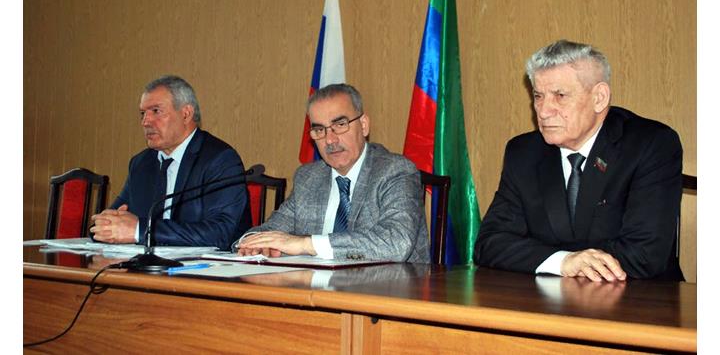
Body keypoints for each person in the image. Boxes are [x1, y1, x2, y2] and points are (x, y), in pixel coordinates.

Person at [473, 40, 684, 281]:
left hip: (641, 296)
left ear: (599, 98)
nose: (543, 111)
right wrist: (563, 261)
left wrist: (558, 258)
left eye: (560, 95)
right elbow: (489, 244)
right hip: (550, 297)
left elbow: (645, 254)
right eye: (538, 96)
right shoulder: (524, 153)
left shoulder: (650, 144)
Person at [233, 83, 430, 263]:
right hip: (315, 286)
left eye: (340, 125)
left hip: (387, 287)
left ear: (363, 125)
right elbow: (273, 230)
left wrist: (307, 244)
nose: (330, 140)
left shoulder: (395, 171)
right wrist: (252, 243)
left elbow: (397, 243)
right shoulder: (309, 177)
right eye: (319, 130)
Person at [90, 75, 252, 250]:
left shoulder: (220, 159)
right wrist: (105, 227)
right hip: (146, 264)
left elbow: (221, 233)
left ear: (186, 114)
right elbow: (104, 224)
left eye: (156, 111)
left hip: (202, 266)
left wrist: (141, 230)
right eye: (143, 113)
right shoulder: (141, 163)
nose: (145, 122)